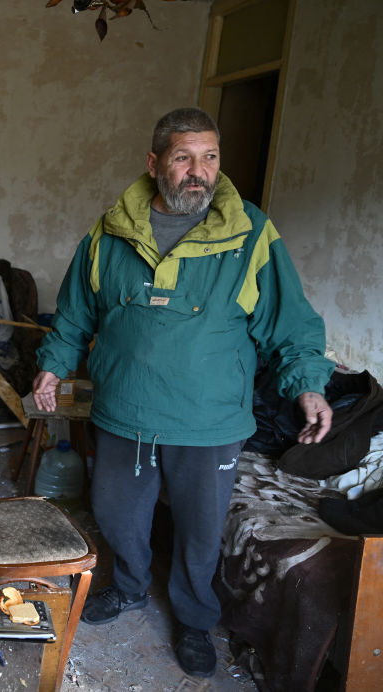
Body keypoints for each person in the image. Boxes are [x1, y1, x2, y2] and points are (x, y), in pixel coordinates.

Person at [32, 107, 334, 678]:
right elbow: (75, 313)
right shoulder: (109, 232)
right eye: (183, 158)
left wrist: (308, 387)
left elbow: (290, 324)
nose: (199, 171)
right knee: (116, 514)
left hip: (209, 420)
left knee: (199, 531)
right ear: (154, 163)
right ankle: (128, 587)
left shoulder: (250, 234)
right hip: (124, 410)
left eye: (210, 157)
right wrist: (53, 365)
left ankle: (195, 618)